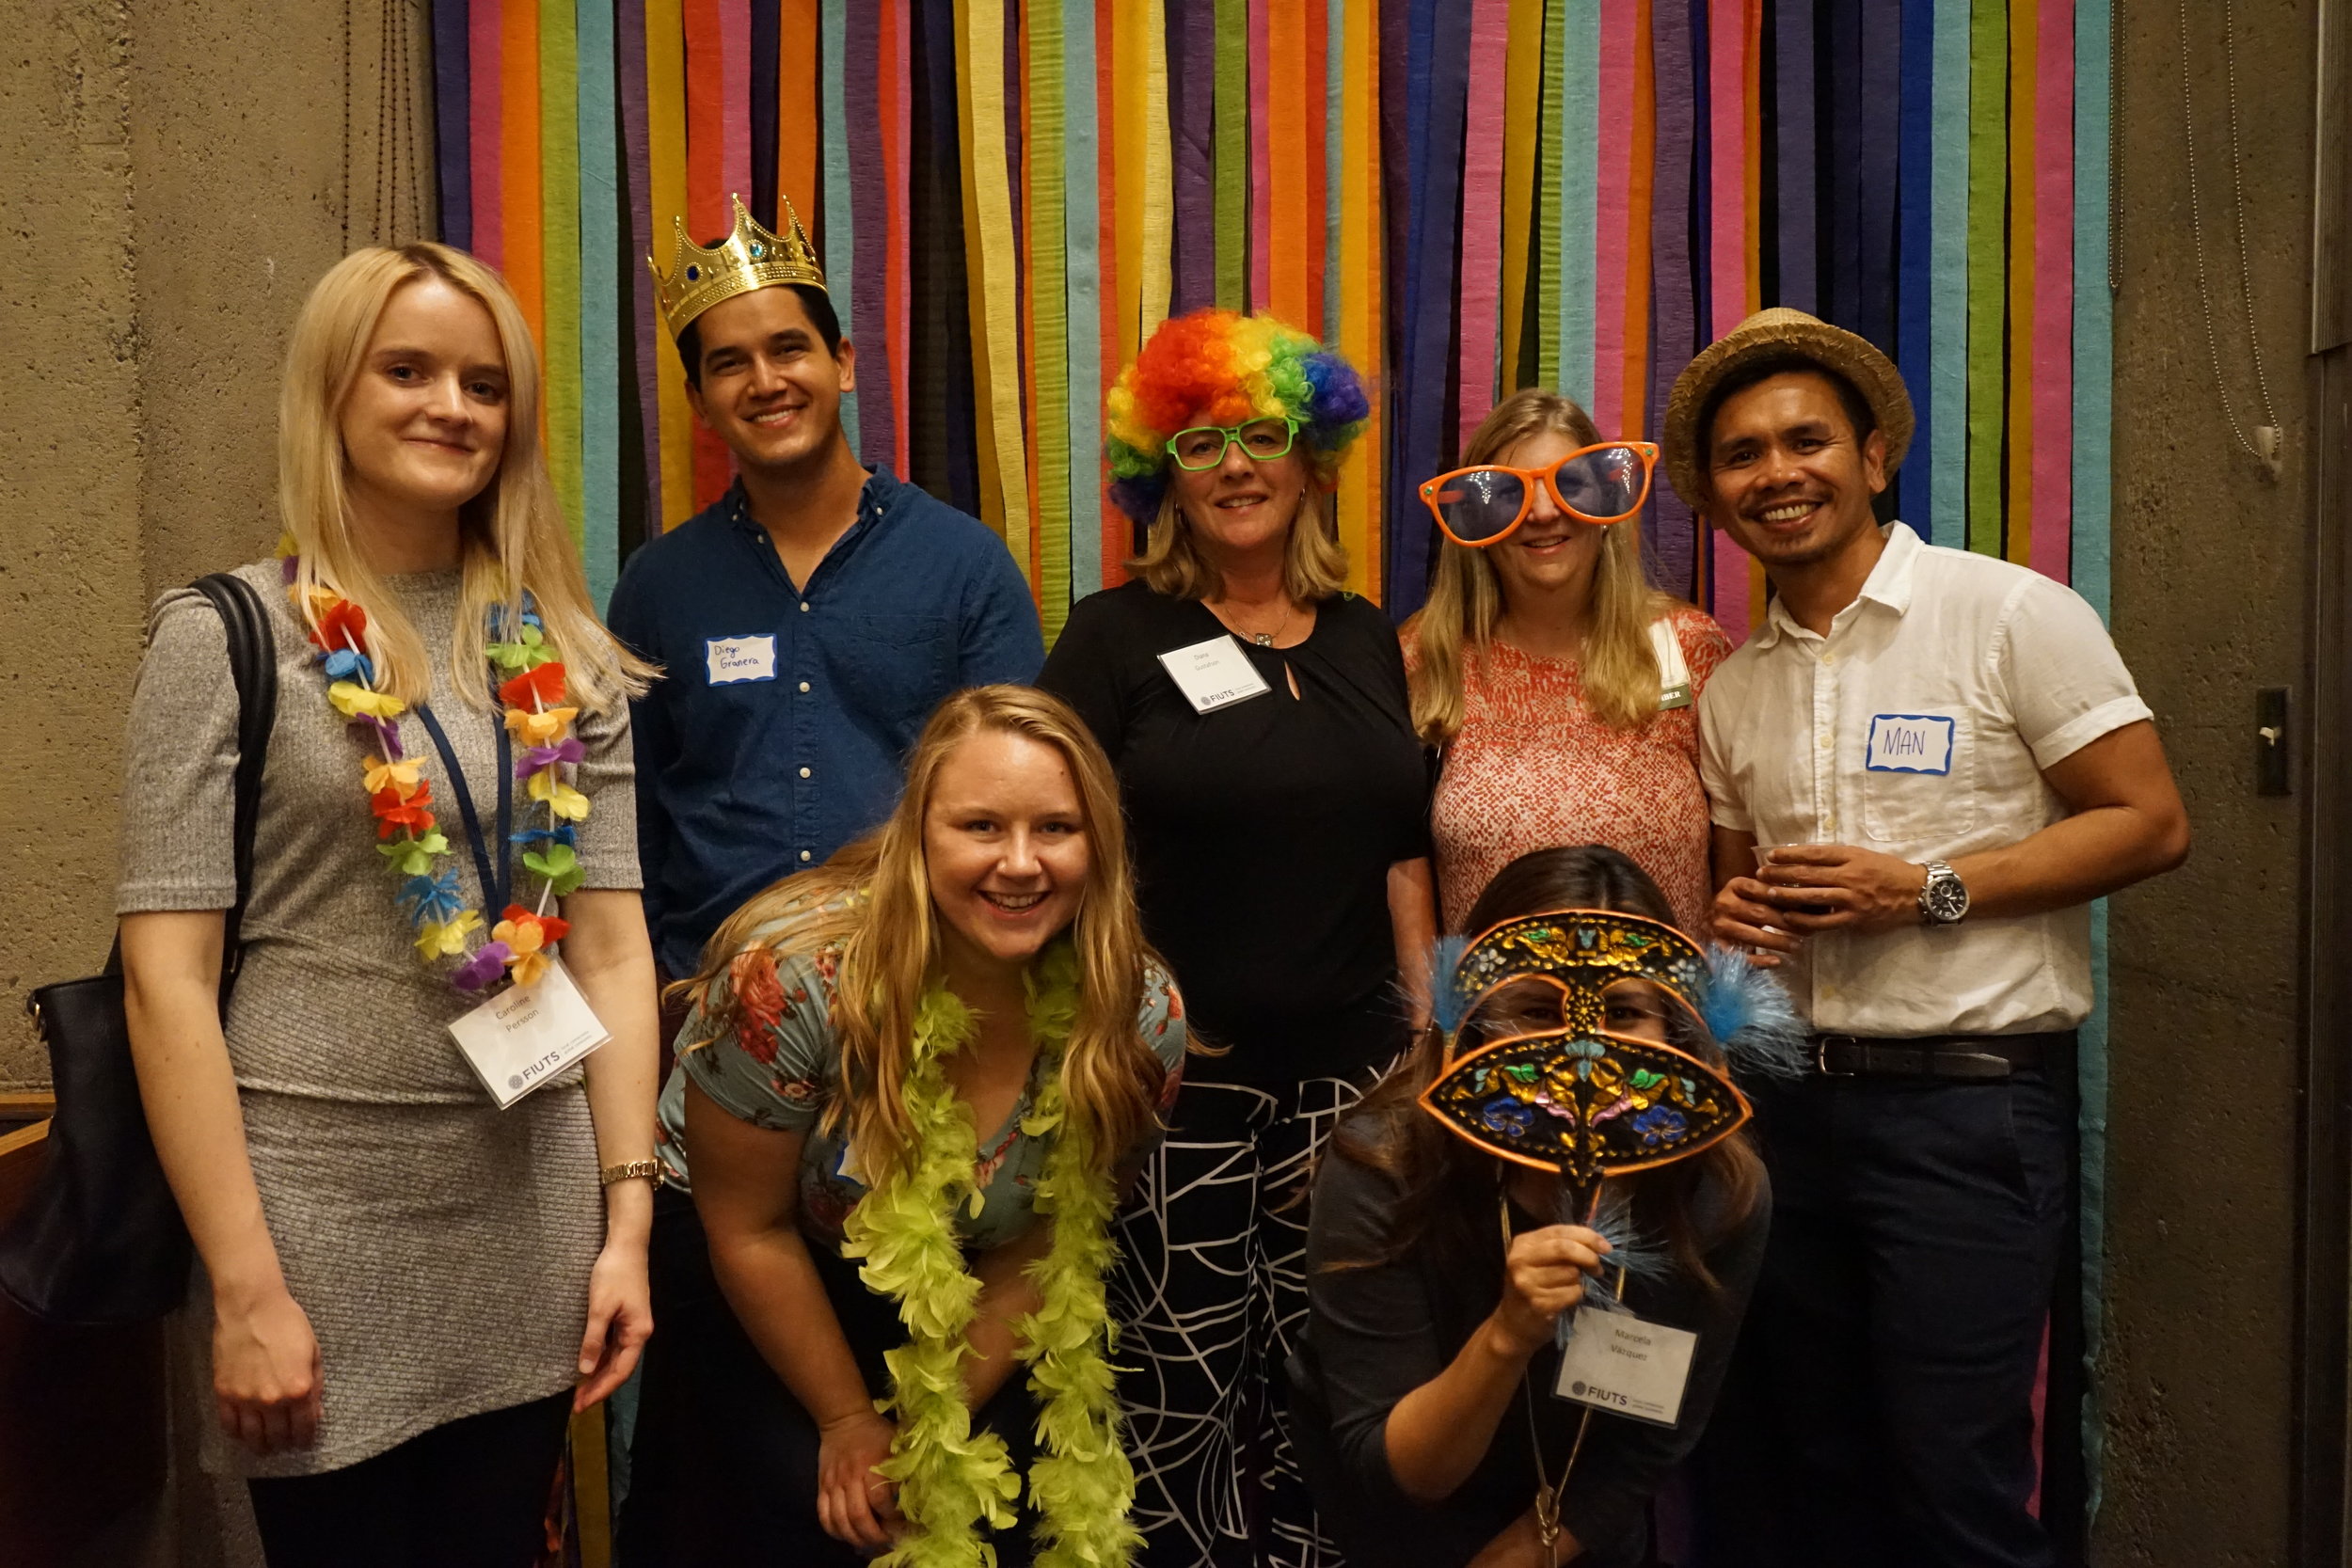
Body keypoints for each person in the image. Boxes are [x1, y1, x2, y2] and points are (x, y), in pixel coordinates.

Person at [117, 244, 661, 1567]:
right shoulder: (223, 635)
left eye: (485, 383)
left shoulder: (562, 651)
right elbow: (164, 981)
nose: (451, 407)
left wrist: (628, 1222)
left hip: (529, 1211)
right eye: (406, 370)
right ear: (333, 392)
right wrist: (244, 1284)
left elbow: (610, 950)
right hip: (311, 1217)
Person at [1668, 308, 2192, 1567]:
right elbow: (1740, 910)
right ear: (1717, 496)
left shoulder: (2008, 613)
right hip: (1791, 1109)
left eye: (1805, 439)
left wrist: (1925, 890)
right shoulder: (1733, 687)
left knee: (1954, 1476)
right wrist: (1735, 923)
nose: (1777, 472)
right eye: (1742, 454)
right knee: (1818, 1460)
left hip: (1967, 1110)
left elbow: (2150, 821)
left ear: (1873, 455)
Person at [615, 685, 1189, 1567]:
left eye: (1057, 829)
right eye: (981, 826)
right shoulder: (791, 982)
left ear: (1101, 844)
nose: (1021, 863)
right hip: (764, 1243)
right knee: (799, 1508)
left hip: (980, 1266)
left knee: (970, 1499)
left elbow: (1058, 1234)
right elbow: (748, 1225)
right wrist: (848, 1420)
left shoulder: (1138, 1017)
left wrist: (930, 1425)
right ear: (919, 833)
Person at [1038, 308, 1438, 1568]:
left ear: (1313, 458)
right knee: (1177, 1396)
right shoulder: (1112, 636)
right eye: (1199, 442)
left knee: (1335, 1389)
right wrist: (1103, 1031)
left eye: (1263, 434)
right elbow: (1049, 851)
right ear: (1160, 476)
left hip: (1352, 1089)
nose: (1235, 465)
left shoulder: (1367, 633)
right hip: (1177, 1086)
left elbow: (1402, 852)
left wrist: (1422, 1043)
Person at [607, 195, 1044, 1005]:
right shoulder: (658, 585)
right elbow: (629, 817)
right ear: (699, 401)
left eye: (788, 349)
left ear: (842, 362)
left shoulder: (964, 565)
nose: (765, 382)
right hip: (710, 1004)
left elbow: (1025, 800)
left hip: (920, 1000)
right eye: (729, 363)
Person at [1290, 845, 1772, 1568]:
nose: (1585, 1050)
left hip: (1579, 1535)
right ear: (1479, 1018)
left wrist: (1531, 1554)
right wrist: (1508, 1334)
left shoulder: (1719, 1192)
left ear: (1675, 1026)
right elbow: (1397, 1471)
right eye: (1539, 1010)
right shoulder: (1383, 1164)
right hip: (1395, 1531)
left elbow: (1652, 1440)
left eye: (1624, 1012)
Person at [1405, 389, 1730, 935]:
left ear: (1606, 502)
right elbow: (1396, 865)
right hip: (1494, 992)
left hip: (1661, 990)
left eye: (1569, 485)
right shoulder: (1425, 658)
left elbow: (1740, 850)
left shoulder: (1688, 646)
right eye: (1511, 494)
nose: (1542, 512)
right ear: (1476, 520)